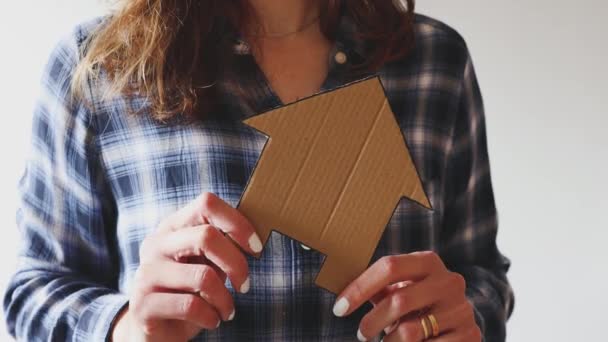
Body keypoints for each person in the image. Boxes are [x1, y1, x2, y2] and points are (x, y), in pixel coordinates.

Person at [3, 0, 514, 341]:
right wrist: (124, 327)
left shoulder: (435, 63)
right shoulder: (98, 66)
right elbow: (31, 290)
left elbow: (481, 276)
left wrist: (462, 316)